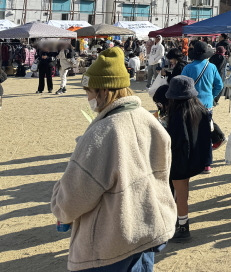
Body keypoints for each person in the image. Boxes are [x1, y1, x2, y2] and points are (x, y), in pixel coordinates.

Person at [50, 47, 177, 271]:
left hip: (109, 244)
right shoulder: (148, 120)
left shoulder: (103, 133)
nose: (88, 98)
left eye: (89, 91)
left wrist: (57, 200)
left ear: (103, 91)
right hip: (146, 230)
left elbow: (71, 200)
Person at [164, 75, 212, 243]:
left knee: (180, 193)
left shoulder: (178, 114)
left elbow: (175, 140)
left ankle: (183, 227)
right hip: (194, 157)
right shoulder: (199, 109)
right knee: (183, 191)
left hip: (179, 160)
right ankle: (180, 221)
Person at [181, 41, 223, 115]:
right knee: (207, 125)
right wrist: (212, 95)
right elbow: (219, 85)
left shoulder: (187, 68)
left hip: (191, 104)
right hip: (207, 103)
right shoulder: (212, 67)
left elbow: (181, 85)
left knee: (192, 126)